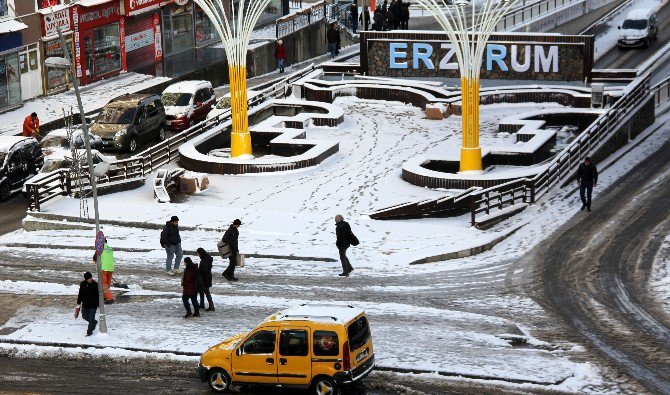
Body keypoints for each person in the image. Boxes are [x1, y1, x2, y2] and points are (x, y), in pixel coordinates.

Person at [76, 272, 99, 336]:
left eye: (91, 277)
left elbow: (98, 295)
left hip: (93, 305)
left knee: (91, 318)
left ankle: (89, 332)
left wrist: (98, 303)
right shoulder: (83, 284)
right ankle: (94, 322)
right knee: (84, 316)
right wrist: (78, 302)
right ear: (86, 279)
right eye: (89, 278)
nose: (90, 279)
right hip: (85, 304)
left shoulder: (95, 284)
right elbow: (80, 294)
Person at [197, 247, 215, 311]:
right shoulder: (207, 257)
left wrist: (198, 270)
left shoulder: (204, 259)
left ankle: (211, 306)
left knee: (206, 292)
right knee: (202, 291)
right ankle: (202, 304)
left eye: (198, 253)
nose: (198, 255)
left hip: (205, 278)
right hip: (207, 277)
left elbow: (204, 269)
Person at [100, 239, 115, 304]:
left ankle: (109, 298)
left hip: (104, 268)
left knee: (104, 284)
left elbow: (95, 258)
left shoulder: (100, 248)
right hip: (111, 268)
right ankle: (105, 296)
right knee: (107, 284)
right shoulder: (110, 249)